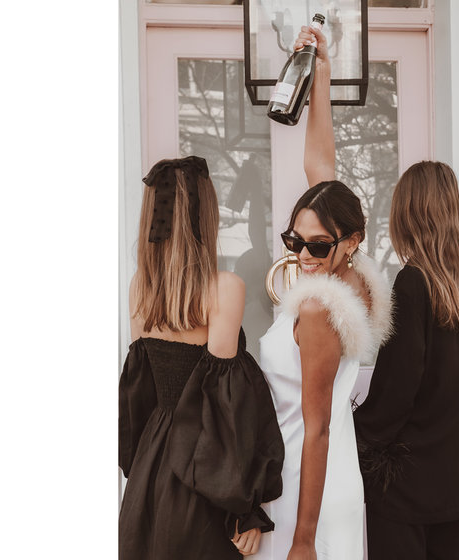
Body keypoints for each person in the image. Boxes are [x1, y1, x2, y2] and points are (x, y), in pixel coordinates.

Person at [252, 25, 393, 560]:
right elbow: (322, 168)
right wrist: (321, 72)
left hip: (301, 488)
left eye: (316, 246)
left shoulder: (317, 308)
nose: (303, 256)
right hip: (328, 482)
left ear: (350, 241)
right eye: (295, 241)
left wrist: (303, 541)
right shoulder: (348, 281)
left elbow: (315, 435)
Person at [118, 156, 285, 559]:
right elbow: (225, 411)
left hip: (150, 474)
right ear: (203, 217)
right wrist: (246, 508)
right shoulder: (224, 289)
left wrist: (142, 472)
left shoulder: (140, 289)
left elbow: (136, 400)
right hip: (199, 473)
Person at [353, 160, 459, 560]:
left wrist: (353, 433)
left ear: (406, 213)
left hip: (411, 483)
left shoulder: (413, 281)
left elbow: (398, 388)